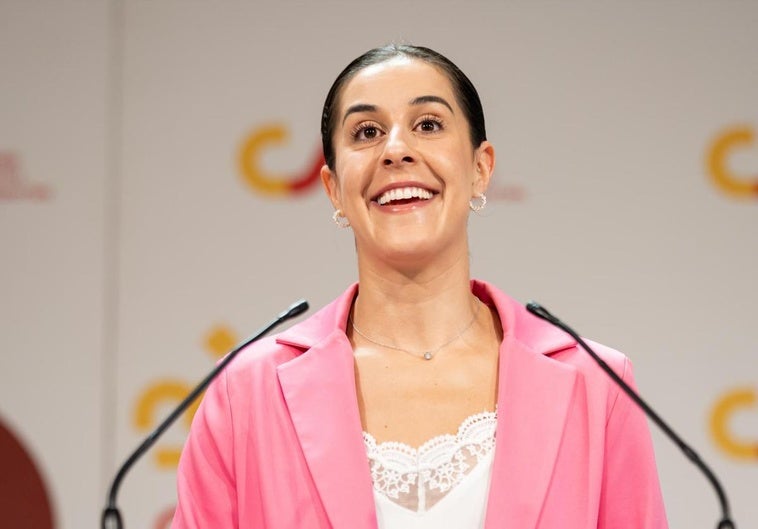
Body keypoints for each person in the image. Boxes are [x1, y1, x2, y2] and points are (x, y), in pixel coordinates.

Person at [171, 44, 667, 529]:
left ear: (481, 168)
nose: (396, 150)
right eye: (366, 132)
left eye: (428, 125)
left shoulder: (597, 383)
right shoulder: (243, 391)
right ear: (333, 189)